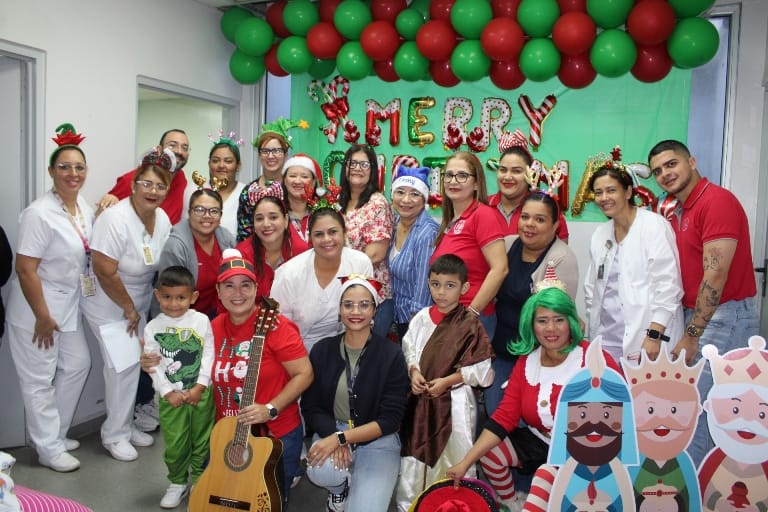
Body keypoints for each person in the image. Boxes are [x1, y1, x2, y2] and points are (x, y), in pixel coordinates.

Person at [446, 287, 623, 510]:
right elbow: (504, 417)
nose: (551, 328)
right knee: (490, 452)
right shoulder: (527, 361)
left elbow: (622, 411)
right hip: (540, 440)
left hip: (586, 450)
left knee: (543, 480)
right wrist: (465, 462)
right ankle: (511, 503)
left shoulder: (594, 358)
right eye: (542, 321)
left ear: (571, 322)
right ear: (531, 324)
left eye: (559, 320)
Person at [648, 139, 759, 466]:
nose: (665, 174)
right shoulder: (681, 209)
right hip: (698, 314)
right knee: (692, 404)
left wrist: (692, 335)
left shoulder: (716, 201)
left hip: (724, 315)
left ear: (692, 162)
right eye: (658, 171)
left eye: (671, 164)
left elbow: (716, 275)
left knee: (701, 407)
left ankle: (693, 485)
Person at [6, 124, 93, 473]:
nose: (73, 173)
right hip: (36, 309)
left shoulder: (81, 205)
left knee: (79, 364)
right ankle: (47, 448)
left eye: (79, 167)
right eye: (64, 167)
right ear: (51, 171)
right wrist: (42, 316)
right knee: (39, 379)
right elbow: (25, 269)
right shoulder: (39, 213)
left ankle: (53, 433)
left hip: (67, 303)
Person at [82, 146, 174, 462]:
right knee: (121, 367)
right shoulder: (114, 219)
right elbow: (104, 270)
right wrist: (129, 309)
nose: (153, 191)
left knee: (136, 363)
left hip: (138, 299)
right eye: (146, 183)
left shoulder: (161, 218)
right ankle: (114, 435)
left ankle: (125, 424)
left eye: (160, 186)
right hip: (108, 300)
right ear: (134, 184)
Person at [209, 248, 313, 505]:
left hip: (274, 435)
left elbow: (304, 373)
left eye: (245, 285)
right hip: (226, 434)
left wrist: (271, 408)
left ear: (256, 289)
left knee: (264, 503)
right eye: (229, 286)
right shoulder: (212, 328)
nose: (238, 293)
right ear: (218, 291)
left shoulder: (276, 326)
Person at [302, 276, 409, 512]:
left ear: (374, 310)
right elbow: (311, 406)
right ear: (339, 309)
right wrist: (335, 434)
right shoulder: (322, 350)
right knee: (319, 469)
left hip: (378, 439)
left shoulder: (391, 355)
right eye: (348, 304)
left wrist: (343, 439)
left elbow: (390, 420)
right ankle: (339, 489)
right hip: (334, 428)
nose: (356, 312)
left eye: (364, 305)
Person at [397, 255, 494, 511]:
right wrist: (414, 372)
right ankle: (412, 504)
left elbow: (483, 371)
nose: (441, 292)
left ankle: (455, 504)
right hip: (420, 402)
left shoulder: (469, 324)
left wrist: (448, 381)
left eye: (450, 285)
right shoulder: (421, 318)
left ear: (464, 287)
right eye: (435, 284)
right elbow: (409, 350)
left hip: (456, 403)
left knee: (454, 452)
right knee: (415, 455)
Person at [584, 161, 684, 364]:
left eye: (611, 190)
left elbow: (668, 286)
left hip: (648, 338)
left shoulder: (653, 226)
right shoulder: (600, 234)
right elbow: (592, 287)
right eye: (598, 192)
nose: (604, 198)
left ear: (628, 192)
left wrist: (654, 335)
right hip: (606, 339)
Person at [489, 192, 578, 414]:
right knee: (496, 413)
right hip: (501, 351)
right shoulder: (508, 244)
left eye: (540, 219)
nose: (529, 224)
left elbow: (556, 317)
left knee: (529, 417)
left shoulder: (561, 258)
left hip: (538, 356)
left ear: (555, 226)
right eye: (525, 216)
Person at [142, 266, 215, 509]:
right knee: (175, 444)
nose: (173, 304)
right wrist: (167, 392)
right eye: (167, 297)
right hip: (170, 398)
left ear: (193, 297)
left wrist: (200, 386)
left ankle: (199, 479)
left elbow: (208, 354)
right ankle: (177, 482)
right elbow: (153, 364)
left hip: (200, 394)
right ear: (157, 295)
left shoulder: (202, 321)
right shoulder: (152, 327)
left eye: (181, 297)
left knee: (202, 440)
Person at [271, 207, 373, 352]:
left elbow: (366, 315)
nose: (326, 239)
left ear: (344, 233)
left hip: (348, 346)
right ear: (310, 238)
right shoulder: (288, 274)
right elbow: (280, 328)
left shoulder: (360, 263)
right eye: (319, 234)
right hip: (299, 350)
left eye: (333, 232)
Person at [431, 151, 508, 341]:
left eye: (462, 175)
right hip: (450, 315)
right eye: (449, 175)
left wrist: (472, 313)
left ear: (476, 183)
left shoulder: (483, 215)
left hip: (472, 319)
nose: (453, 181)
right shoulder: (451, 220)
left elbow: (500, 269)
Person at [339, 144, 395, 337]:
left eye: (364, 164)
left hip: (373, 297)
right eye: (352, 163)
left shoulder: (377, 203)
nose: (357, 168)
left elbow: (375, 255)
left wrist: (336, 268)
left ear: (373, 170)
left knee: (369, 352)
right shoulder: (336, 201)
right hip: (341, 292)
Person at [156, 189, 236, 319]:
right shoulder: (175, 247)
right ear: (189, 213)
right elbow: (170, 298)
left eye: (214, 211)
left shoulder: (227, 240)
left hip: (216, 314)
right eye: (199, 210)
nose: (207, 215)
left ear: (220, 216)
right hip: (180, 319)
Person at [487, 133, 569, 241]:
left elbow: (561, 249)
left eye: (516, 171)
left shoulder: (547, 209)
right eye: (503, 170)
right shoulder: (483, 205)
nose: (507, 177)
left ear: (530, 174)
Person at [98, 129, 190, 224]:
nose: (179, 151)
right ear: (159, 149)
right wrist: (109, 201)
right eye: (172, 145)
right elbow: (103, 215)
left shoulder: (181, 177)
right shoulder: (131, 180)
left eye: (185, 148)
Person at [389, 166, 439, 339]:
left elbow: (423, 285)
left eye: (415, 194)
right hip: (396, 314)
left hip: (415, 320)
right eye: (400, 192)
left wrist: (416, 325)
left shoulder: (427, 232)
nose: (406, 200)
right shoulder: (393, 223)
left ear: (424, 199)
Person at [237, 117, 307, 241]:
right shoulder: (249, 191)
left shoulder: (294, 187)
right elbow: (244, 233)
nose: (270, 156)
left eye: (276, 151)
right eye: (265, 151)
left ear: (285, 154)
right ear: (259, 155)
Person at [235, 181, 294, 300]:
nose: (266, 224)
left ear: (286, 220)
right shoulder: (240, 255)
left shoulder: (302, 252)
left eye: (273, 217)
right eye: (259, 219)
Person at [185, 130, 245, 235]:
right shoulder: (194, 189)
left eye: (228, 161)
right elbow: (184, 226)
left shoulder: (245, 193)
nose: (221, 165)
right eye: (215, 161)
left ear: (238, 165)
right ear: (209, 163)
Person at [282, 153, 323, 254]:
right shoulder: (276, 212)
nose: (298, 181)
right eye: (292, 176)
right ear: (285, 181)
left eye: (304, 176)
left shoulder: (324, 211)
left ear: (313, 182)